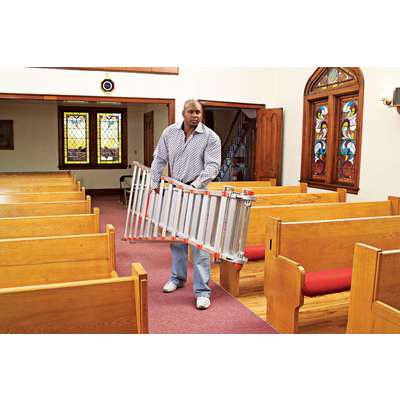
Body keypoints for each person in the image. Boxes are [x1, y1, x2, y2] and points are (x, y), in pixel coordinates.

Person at [150, 99, 221, 310]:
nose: (195, 115)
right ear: (183, 113)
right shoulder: (169, 133)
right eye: (191, 111)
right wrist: (154, 182)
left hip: (197, 193)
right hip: (174, 193)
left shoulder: (210, 137)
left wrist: (194, 186)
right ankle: (177, 278)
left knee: (199, 244)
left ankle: (202, 291)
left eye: (198, 112)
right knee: (177, 240)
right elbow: (159, 158)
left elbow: (213, 167)